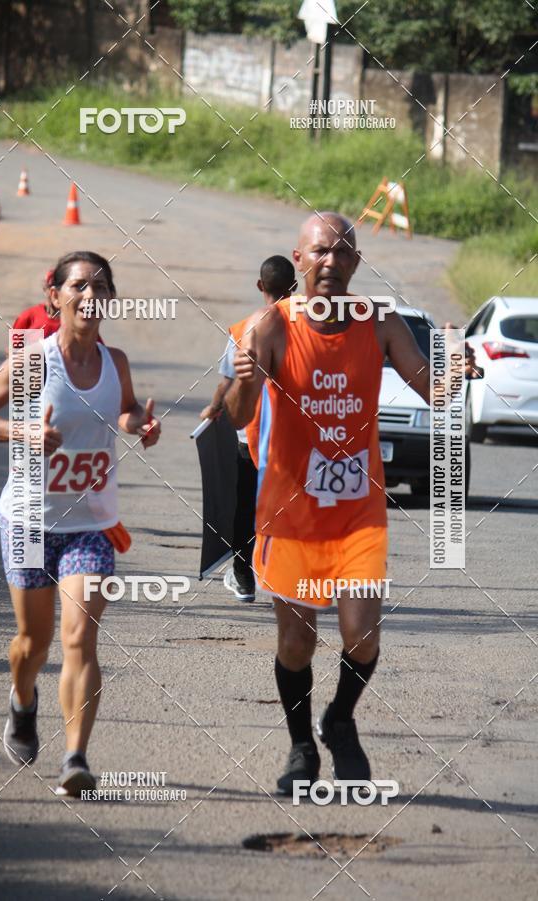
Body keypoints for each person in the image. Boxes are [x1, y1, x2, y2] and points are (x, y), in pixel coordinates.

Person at [224, 212, 481, 795]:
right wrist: (244, 377)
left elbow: (432, 390)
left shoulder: (379, 322)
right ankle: (298, 746)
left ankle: (339, 718)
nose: (331, 262)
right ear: (299, 258)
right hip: (291, 510)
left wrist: (456, 371)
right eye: (320, 251)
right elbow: (240, 417)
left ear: (357, 263)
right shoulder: (271, 326)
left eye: (343, 252)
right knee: (296, 642)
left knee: (363, 635)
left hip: (358, 508)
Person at [0, 250, 161, 796]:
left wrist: (139, 425)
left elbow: (121, 409)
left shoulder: (113, 360)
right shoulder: (33, 359)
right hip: (27, 519)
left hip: (91, 522)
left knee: (80, 639)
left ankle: (75, 756)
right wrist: (22, 433)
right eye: (79, 285)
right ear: (56, 297)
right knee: (35, 641)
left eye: (101, 286)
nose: (90, 295)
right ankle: (22, 701)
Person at [201, 255, 296, 603]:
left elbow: (227, 382)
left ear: (261, 287)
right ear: (295, 288)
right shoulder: (305, 329)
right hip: (292, 441)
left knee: (244, 508)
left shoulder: (246, 329)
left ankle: (244, 577)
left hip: (250, 437)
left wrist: (213, 409)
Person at [12, 269, 60, 337]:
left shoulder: (73, 320)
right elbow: (15, 347)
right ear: (44, 289)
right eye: (51, 289)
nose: (56, 294)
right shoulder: (27, 317)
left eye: (60, 289)